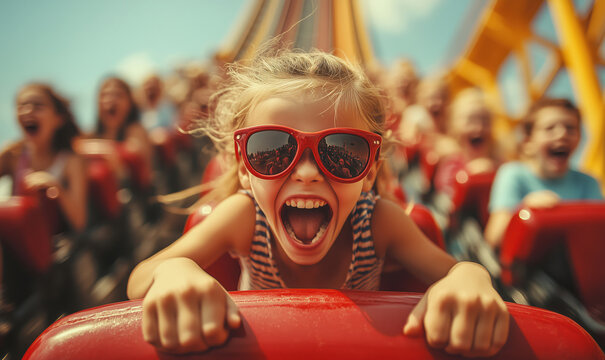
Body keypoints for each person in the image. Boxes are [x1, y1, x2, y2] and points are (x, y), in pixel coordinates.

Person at [127, 50, 509, 357]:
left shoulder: (378, 223)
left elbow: (460, 273)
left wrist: (471, 277)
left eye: (342, 151)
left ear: (370, 172)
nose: (307, 173)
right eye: (271, 150)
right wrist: (175, 270)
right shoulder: (243, 217)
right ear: (244, 168)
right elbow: (141, 278)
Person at [484, 98, 603, 249]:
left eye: (570, 128)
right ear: (528, 143)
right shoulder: (512, 174)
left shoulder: (589, 182)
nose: (562, 134)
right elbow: (493, 237)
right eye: (550, 128)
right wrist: (525, 210)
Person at [0, 83, 87, 232]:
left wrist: (56, 187)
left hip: (51, 244)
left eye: (38, 106)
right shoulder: (11, 155)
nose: (28, 111)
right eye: (22, 106)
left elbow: (79, 222)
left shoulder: (70, 161)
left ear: (58, 118)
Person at [434, 88, 500, 197]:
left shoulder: (502, 167)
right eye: (471, 121)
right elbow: (447, 201)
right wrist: (468, 174)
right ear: (456, 127)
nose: (479, 128)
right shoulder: (450, 166)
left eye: (485, 120)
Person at [91, 77, 153, 190]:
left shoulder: (136, 130)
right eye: (104, 95)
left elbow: (136, 156)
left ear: (130, 103)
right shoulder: (90, 135)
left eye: (118, 95)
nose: (110, 100)